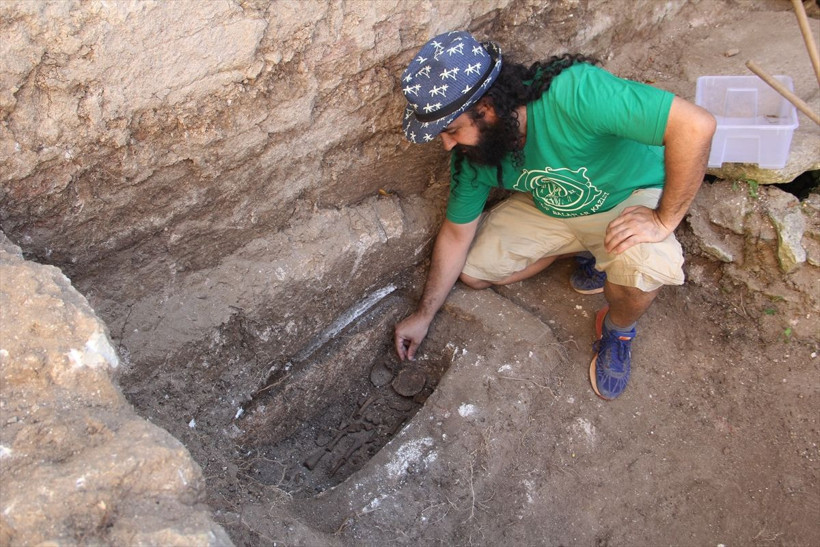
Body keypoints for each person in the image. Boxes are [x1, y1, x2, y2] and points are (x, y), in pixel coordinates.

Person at [393, 30, 716, 400]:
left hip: (628, 198)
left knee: (646, 268)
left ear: (487, 109)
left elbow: (696, 126)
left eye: (451, 130)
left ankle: (618, 329)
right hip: (552, 205)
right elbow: (455, 234)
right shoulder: (474, 156)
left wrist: (663, 219)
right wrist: (424, 315)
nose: (447, 144)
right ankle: (587, 251)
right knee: (473, 271)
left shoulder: (574, 93)